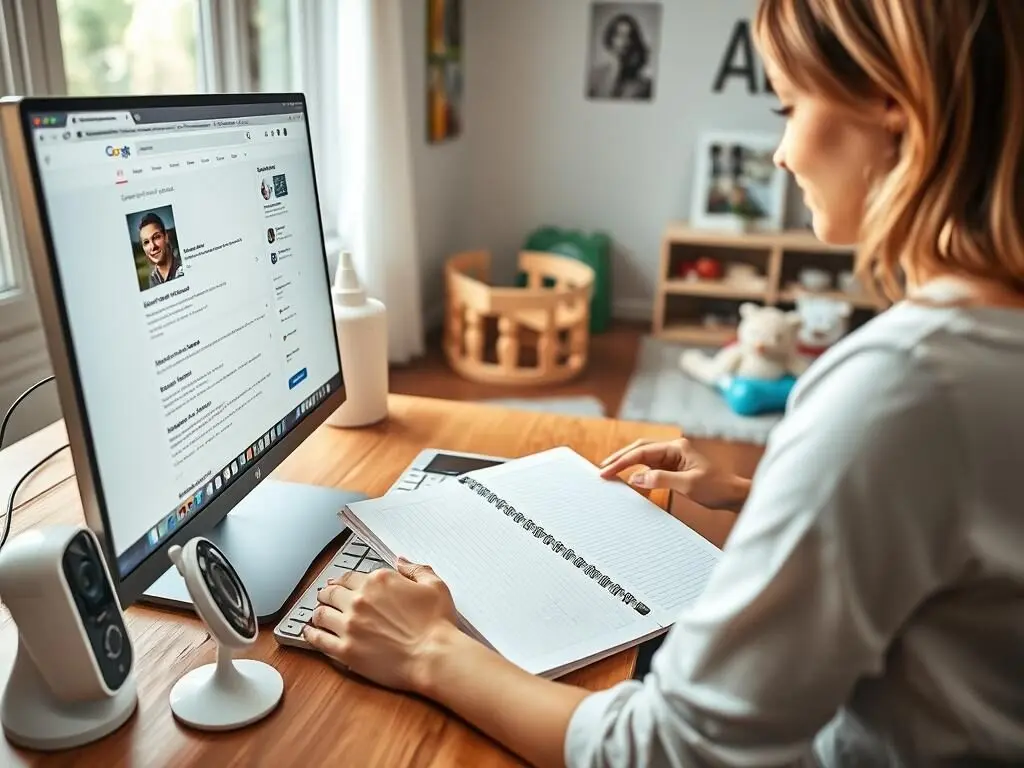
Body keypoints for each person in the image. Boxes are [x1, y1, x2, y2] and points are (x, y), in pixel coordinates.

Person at [304, 1, 1024, 765]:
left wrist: (429, 652)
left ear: (892, 100)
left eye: (789, 105)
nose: (781, 154)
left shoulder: (899, 390)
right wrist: (768, 496)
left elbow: (669, 749)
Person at [588, 13, 654, 100]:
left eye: (630, 36)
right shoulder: (594, 76)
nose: (625, 41)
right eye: (619, 35)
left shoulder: (644, 85)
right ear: (611, 39)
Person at [138, 211, 182, 289]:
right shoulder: (153, 278)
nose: (152, 246)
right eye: (146, 242)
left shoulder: (183, 269)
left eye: (156, 237)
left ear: (166, 237)